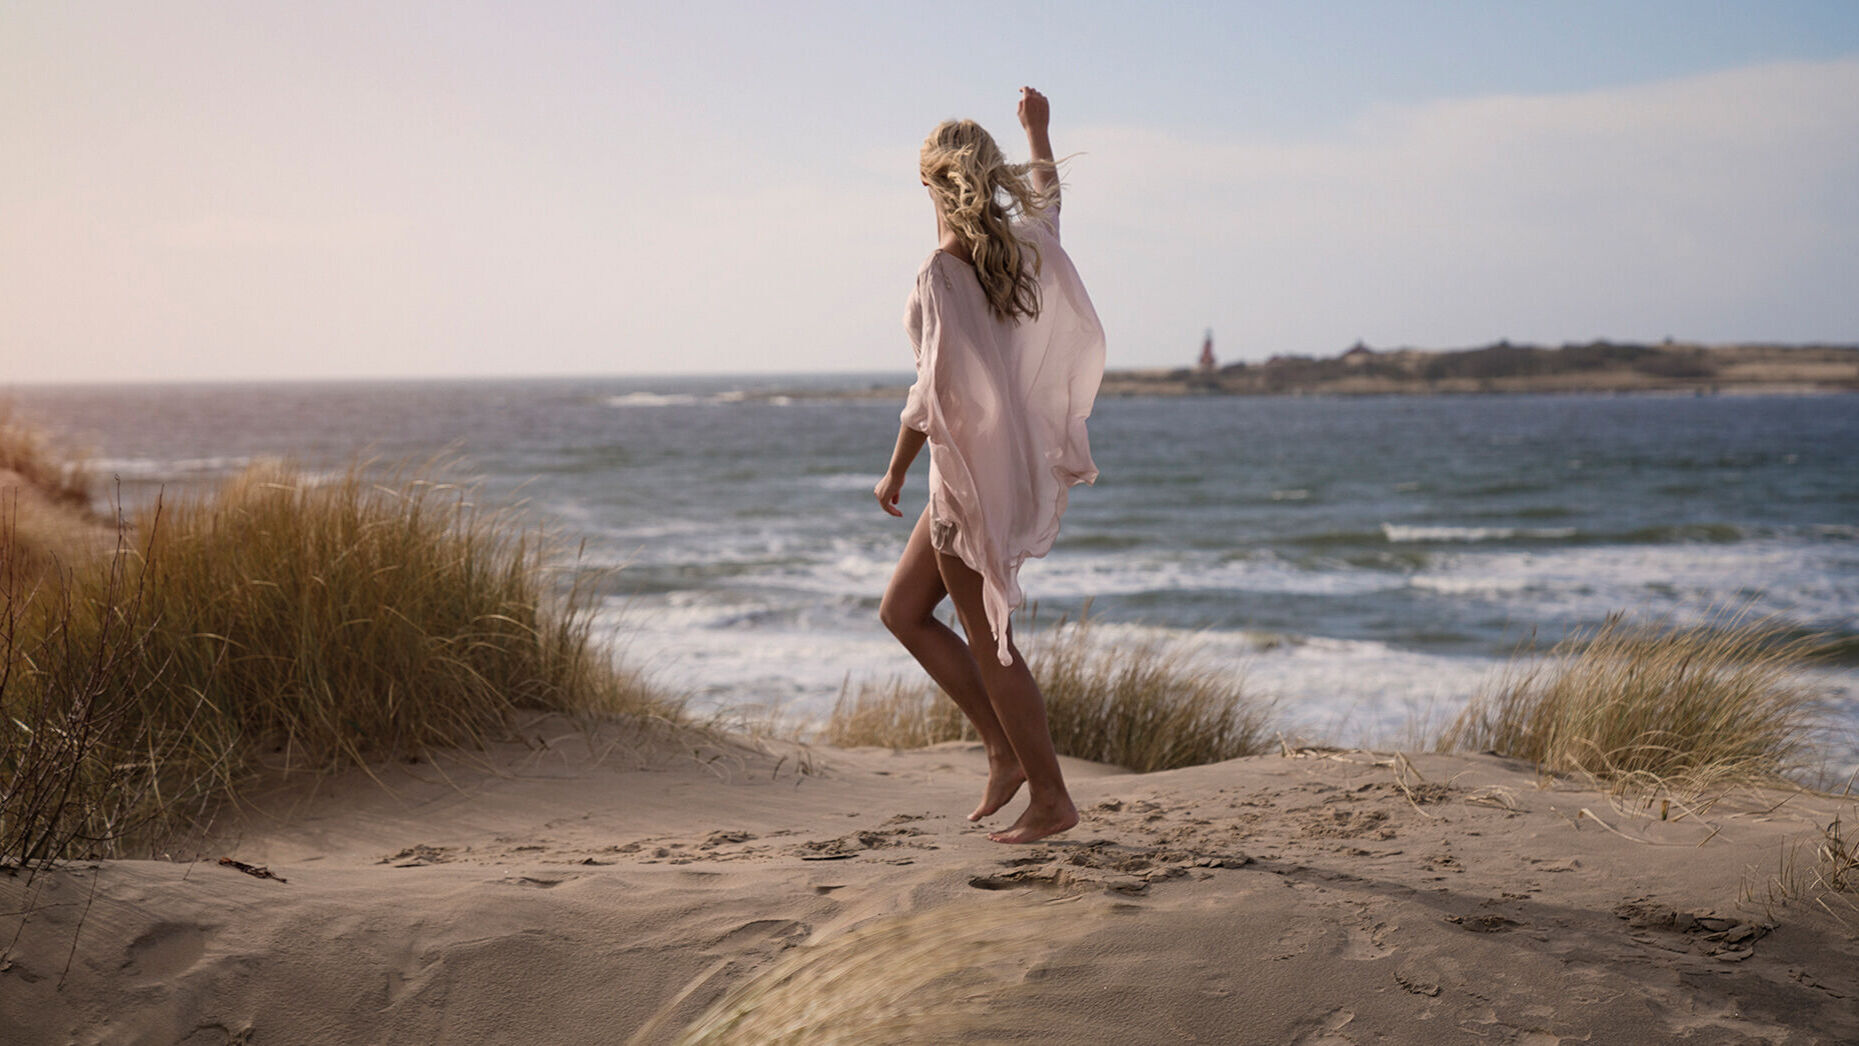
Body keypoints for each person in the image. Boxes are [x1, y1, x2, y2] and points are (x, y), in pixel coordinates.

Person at [873, 86, 1105, 844]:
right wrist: (1040, 130)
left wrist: (895, 471)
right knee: (903, 612)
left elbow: (929, 394)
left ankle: (1050, 797)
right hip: (989, 467)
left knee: (989, 636)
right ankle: (1004, 751)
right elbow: (1048, 201)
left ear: (930, 182)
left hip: (962, 477)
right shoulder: (1016, 250)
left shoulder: (943, 270)